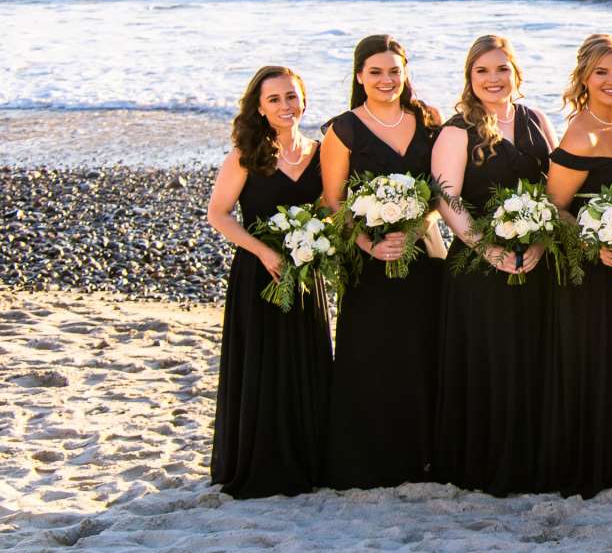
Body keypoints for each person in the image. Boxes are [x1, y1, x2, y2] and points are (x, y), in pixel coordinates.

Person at [429, 34, 557, 495]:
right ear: (469, 77)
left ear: (515, 73)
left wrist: (542, 243)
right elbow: (447, 199)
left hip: (537, 259)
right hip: (480, 265)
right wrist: (490, 250)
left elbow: (554, 191)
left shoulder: (536, 120)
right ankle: (487, 463)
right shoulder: (457, 130)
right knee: (492, 361)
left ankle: (533, 460)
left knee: (534, 360)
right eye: (482, 70)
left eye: (502, 69)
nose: (493, 79)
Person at [319, 32, 446, 491]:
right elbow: (333, 203)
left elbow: (440, 191)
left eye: (394, 70)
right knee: (373, 353)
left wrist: (415, 227)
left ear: (405, 72)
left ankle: (427, 455)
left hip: (425, 248)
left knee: (426, 348)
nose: (386, 79)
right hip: (368, 256)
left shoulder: (429, 121)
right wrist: (370, 245)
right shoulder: (343, 130)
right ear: (359, 76)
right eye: (376, 72)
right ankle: (372, 461)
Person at [205, 64, 331, 498]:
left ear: (304, 99)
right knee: (263, 366)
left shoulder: (320, 152)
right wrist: (262, 250)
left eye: (291, 97)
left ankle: (308, 458)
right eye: (274, 99)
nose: (285, 106)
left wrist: (321, 240)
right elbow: (218, 214)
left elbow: (330, 208)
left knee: (306, 361)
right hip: (259, 274)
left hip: (305, 272)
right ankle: (263, 462)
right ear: (259, 107)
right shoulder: (245, 155)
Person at [544, 32, 612, 498]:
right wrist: (593, 243)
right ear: (583, 78)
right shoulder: (580, 132)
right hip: (591, 268)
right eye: (601, 72)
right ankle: (597, 464)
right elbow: (555, 208)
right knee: (597, 363)